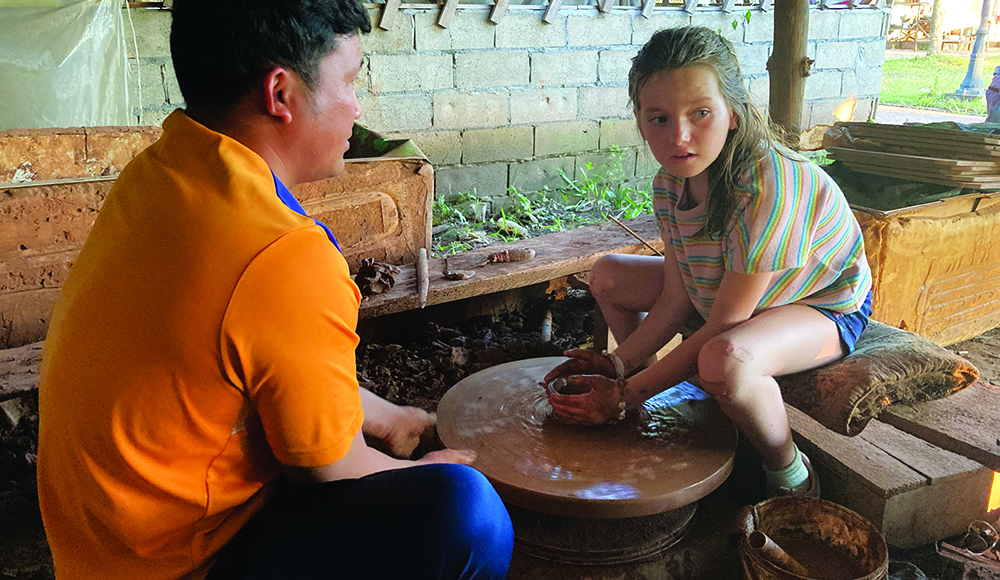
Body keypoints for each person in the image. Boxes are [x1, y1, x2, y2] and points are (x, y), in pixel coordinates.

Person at [36, 1, 513, 579]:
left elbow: (258, 360)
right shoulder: (283, 254)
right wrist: (433, 470)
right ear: (280, 94)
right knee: (467, 513)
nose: (357, 107)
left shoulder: (161, 175)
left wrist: (383, 414)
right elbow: (331, 469)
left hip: (101, 550)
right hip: (184, 561)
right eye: (351, 80)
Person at [544, 26, 872, 498]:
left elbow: (726, 322)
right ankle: (649, 401)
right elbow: (677, 298)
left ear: (733, 113)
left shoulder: (769, 184)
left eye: (701, 113)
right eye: (658, 118)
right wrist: (619, 365)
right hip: (722, 293)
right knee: (609, 276)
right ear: (639, 121)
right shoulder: (670, 183)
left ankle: (790, 472)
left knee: (724, 363)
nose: (679, 135)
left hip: (820, 306)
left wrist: (621, 396)